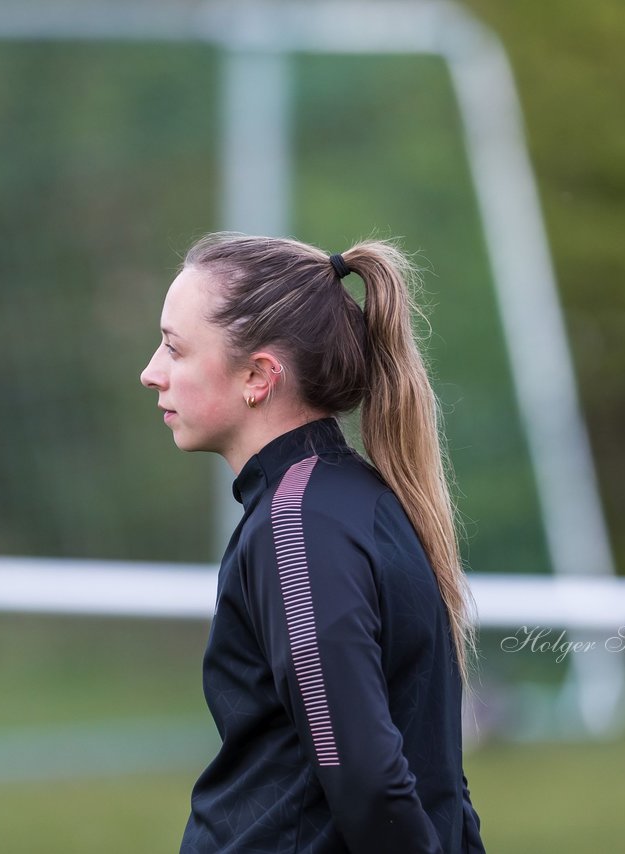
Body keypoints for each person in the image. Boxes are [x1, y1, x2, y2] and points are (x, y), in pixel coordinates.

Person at [140, 233, 486, 853]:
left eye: (174, 348)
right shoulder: (353, 501)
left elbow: (367, 779)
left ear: (258, 375)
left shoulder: (298, 529)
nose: (151, 373)